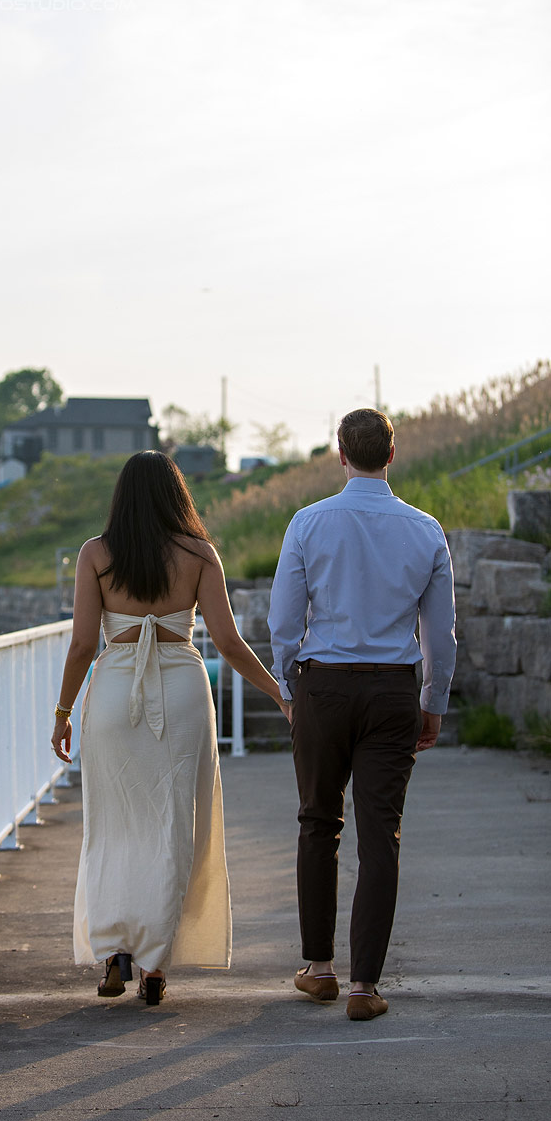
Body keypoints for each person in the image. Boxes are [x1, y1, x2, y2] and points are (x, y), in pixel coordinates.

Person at [51, 450, 284, 1004]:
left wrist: (62, 713)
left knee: (112, 827)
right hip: (180, 689)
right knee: (174, 825)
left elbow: (84, 643)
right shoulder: (199, 554)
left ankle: (114, 954)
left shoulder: (95, 554)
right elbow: (226, 642)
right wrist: (279, 691)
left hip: (114, 694)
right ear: (176, 494)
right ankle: (156, 966)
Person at [268, 408, 456, 1021]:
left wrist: (293, 687)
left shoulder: (308, 523)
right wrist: (432, 703)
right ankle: (365, 987)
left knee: (318, 821)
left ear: (340, 453)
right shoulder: (426, 531)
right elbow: (441, 636)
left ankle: (319, 969)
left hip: (323, 686)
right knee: (381, 837)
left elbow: (282, 622)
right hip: (393, 693)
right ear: (392, 455)